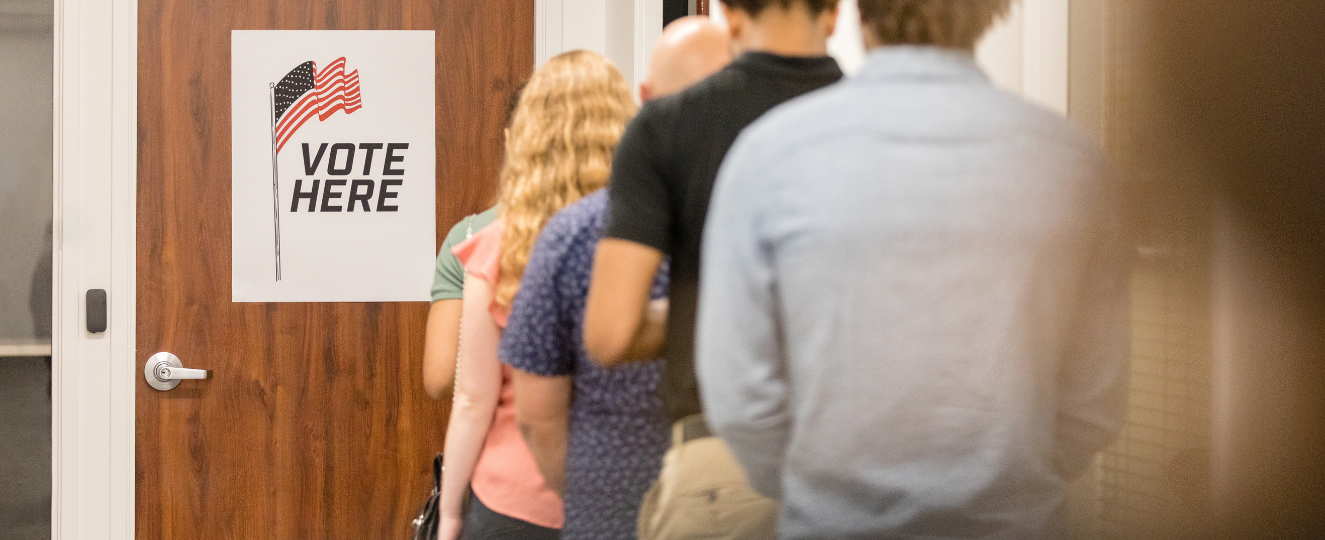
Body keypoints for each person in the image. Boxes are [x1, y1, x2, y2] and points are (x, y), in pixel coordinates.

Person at [695, 0, 1131, 537]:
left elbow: (740, 398)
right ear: (992, 12)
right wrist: (1006, 486)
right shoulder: (1075, 165)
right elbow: (1093, 404)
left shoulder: (769, 158)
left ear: (857, 12)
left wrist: (819, 490)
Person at [583, 1, 843, 538]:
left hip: (726, 466)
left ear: (731, 14)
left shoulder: (669, 126)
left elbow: (610, 333)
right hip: (864, 463)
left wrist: (710, 318)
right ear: (836, 14)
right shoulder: (880, 123)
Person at [500, 16, 731, 540]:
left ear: (647, 100)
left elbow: (537, 417)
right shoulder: (776, 224)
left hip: (610, 516)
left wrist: (591, 495)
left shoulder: (572, 236)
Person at [437, 50, 638, 540]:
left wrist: (449, 515)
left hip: (512, 504)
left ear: (527, 138)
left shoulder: (496, 245)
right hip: (626, 498)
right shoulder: (642, 243)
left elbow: (471, 397)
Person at [421, 88, 522, 400]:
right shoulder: (617, 230)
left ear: (510, 140)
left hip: (497, 435)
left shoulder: (471, 238)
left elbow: (440, 377)